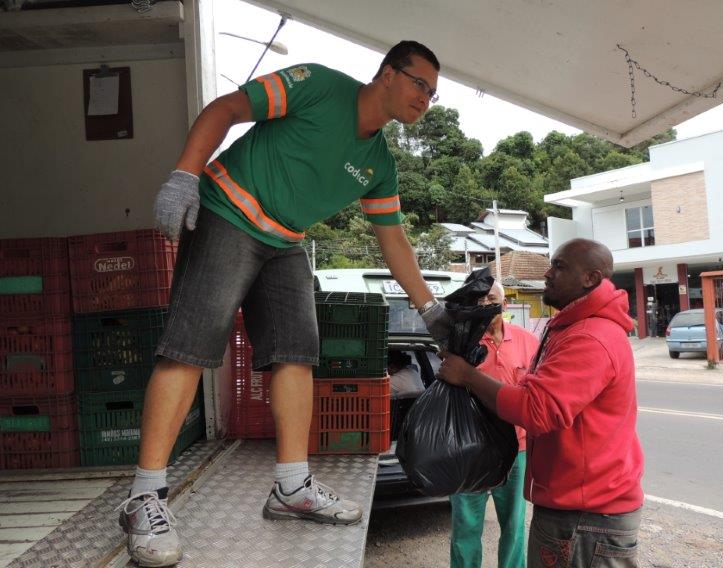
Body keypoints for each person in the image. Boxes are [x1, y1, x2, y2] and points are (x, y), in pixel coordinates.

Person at [116, 41, 453, 568]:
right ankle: (144, 497)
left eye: (433, 94)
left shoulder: (379, 164)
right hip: (228, 212)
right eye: (419, 84)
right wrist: (184, 175)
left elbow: (394, 241)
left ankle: (291, 488)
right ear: (388, 73)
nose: (425, 99)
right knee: (189, 350)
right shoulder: (319, 85)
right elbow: (225, 108)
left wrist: (431, 310)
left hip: (284, 241)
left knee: (298, 352)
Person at [438, 238, 644, 568]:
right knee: (467, 527)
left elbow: (537, 409)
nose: (547, 273)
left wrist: (468, 376)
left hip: (586, 516)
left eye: (559, 266)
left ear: (590, 278)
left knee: (513, 531)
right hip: (573, 507)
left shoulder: (589, 336)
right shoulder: (570, 327)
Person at [449, 281, 538, 568]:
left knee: (514, 525)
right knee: (466, 526)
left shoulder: (527, 341)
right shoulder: (462, 344)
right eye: (479, 300)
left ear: (505, 304)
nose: (486, 304)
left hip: (517, 450)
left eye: (491, 298)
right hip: (470, 451)